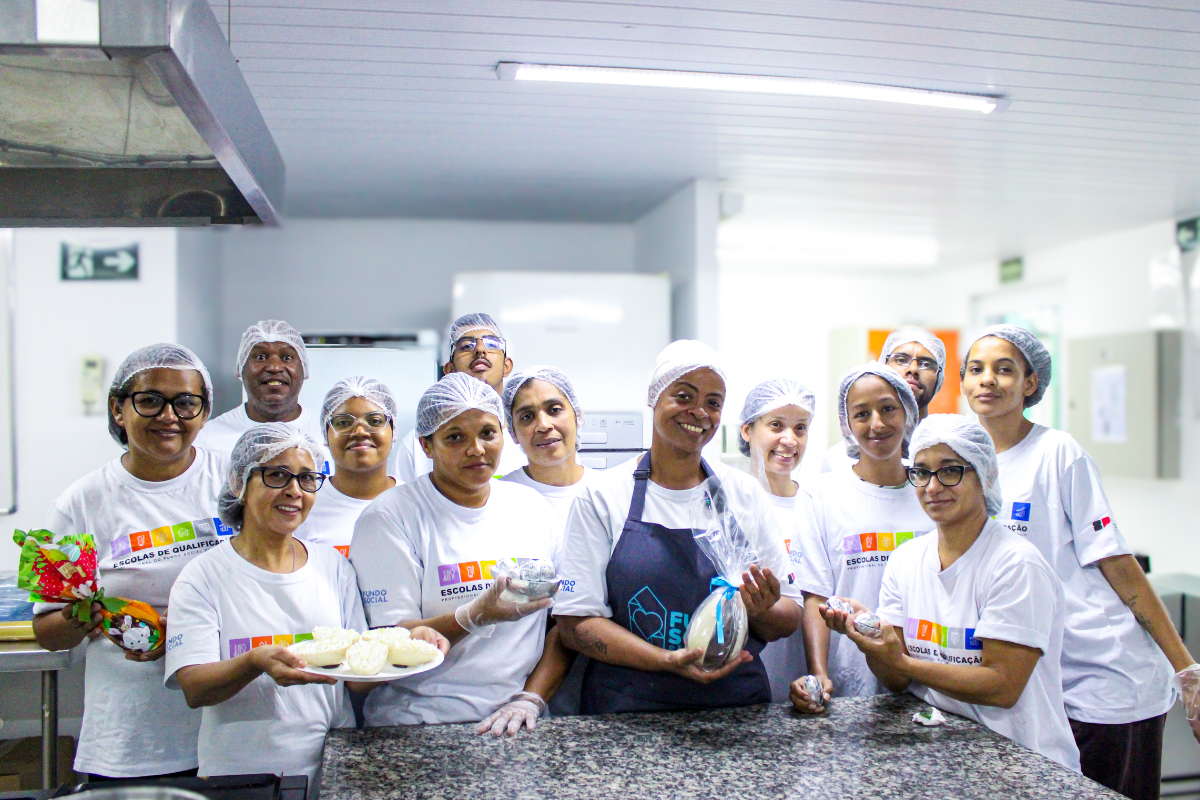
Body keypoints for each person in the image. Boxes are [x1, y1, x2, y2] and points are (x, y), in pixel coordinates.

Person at [962, 324, 1197, 798]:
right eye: (976, 369)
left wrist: (1186, 670)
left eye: (1004, 369)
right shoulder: (967, 462)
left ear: (1030, 384)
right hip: (1039, 680)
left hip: (1102, 676)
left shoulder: (1057, 453)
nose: (987, 379)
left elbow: (1118, 563)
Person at [164, 425, 450, 791]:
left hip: (333, 762)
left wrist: (409, 641)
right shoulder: (203, 576)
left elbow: (359, 677)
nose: (294, 491)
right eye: (277, 475)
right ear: (240, 482)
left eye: (307, 478)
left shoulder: (333, 567)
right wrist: (253, 663)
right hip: (243, 775)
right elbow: (194, 688)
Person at [819, 414, 1080, 772]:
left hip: (1024, 760)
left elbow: (1002, 686)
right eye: (922, 472)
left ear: (985, 475)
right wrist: (872, 637)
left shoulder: (1015, 565)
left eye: (950, 470)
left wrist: (904, 662)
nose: (932, 486)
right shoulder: (907, 559)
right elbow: (895, 680)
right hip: (941, 748)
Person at [554, 340, 802, 713]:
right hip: (629, 711)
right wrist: (665, 661)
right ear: (655, 397)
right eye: (684, 396)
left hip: (733, 709)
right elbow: (576, 624)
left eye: (713, 402)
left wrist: (760, 608)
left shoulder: (744, 495)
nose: (700, 412)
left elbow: (788, 616)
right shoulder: (603, 498)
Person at [32, 344, 223, 780]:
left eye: (186, 402)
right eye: (150, 400)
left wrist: (191, 627)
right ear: (119, 410)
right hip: (130, 738)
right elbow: (47, 633)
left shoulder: (232, 485)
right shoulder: (77, 503)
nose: (169, 416)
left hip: (226, 728)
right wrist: (92, 616)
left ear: (204, 412)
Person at [350, 373, 562, 736]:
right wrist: (474, 616)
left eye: (487, 433)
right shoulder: (390, 517)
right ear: (426, 446)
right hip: (419, 722)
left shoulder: (532, 508)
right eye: (455, 437)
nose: (476, 449)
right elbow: (387, 644)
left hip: (516, 721)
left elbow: (562, 625)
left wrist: (531, 698)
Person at [790, 363, 932, 712]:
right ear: (848, 424)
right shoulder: (821, 494)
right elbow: (815, 596)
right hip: (851, 684)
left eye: (888, 409)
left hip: (929, 678)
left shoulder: (933, 492)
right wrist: (819, 674)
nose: (877, 424)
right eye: (862, 414)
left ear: (908, 412)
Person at [500, 366, 597, 715]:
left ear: (578, 416)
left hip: (601, 680)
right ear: (513, 433)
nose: (543, 424)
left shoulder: (611, 496)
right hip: (512, 688)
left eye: (554, 410)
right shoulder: (497, 498)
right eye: (527, 416)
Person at [737, 378, 816, 702]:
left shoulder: (815, 505)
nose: (789, 439)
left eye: (800, 428)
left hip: (805, 677)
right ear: (747, 430)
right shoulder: (728, 502)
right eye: (776, 425)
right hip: (742, 676)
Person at [393, 313, 525, 482]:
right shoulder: (417, 444)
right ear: (449, 370)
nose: (480, 350)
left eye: (491, 343)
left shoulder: (527, 438)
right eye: (465, 346)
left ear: (506, 367)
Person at [196, 320, 330, 473]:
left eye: (287, 357)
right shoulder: (207, 440)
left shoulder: (329, 436)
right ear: (241, 368)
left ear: (304, 369)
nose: (274, 367)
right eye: (260, 357)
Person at [294, 376, 398, 556]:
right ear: (325, 435)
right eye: (343, 422)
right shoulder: (302, 505)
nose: (359, 431)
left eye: (374, 421)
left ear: (393, 431)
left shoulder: (415, 503)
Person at [821, 326, 946, 473]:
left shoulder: (948, 451)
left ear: (939, 377)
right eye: (901, 360)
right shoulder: (839, 461)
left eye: (926, 364)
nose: (913, 369)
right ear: (883, 366)